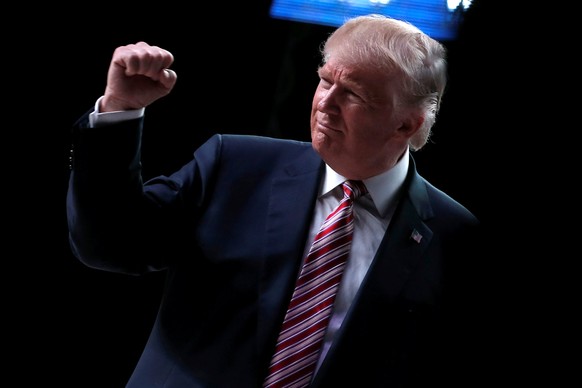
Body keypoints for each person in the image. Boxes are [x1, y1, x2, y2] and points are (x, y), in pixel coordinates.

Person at [66, 14, 482, 388]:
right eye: (324, 80)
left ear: (406, 123)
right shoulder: (233, 164)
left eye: (353, 93)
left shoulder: (455, 236)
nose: (325, 104)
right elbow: (110, 244)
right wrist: (120, 109)